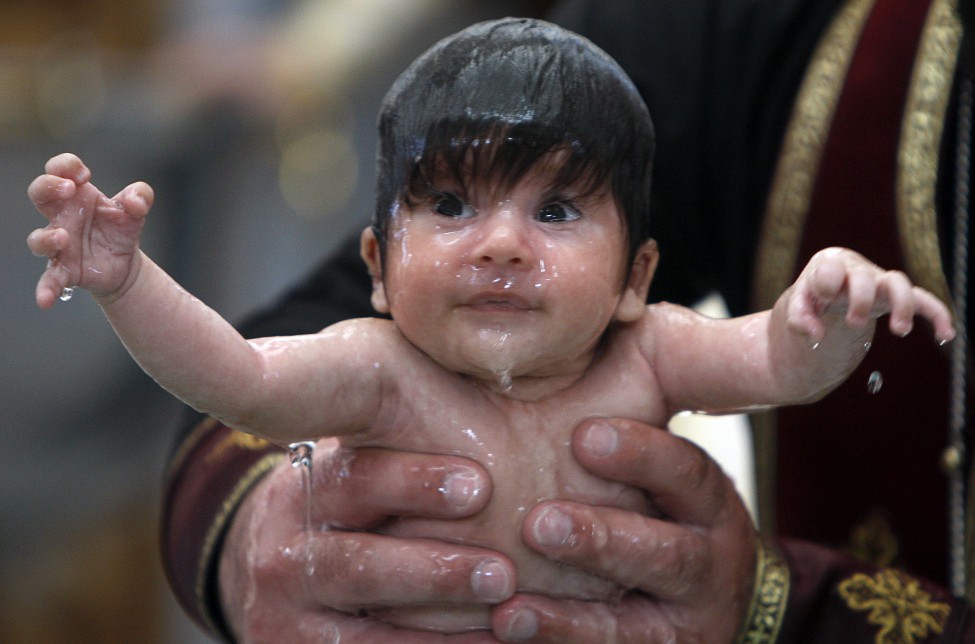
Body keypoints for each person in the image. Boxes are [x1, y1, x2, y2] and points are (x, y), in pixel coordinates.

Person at [28, 16, 958, 639]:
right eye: (448, 204)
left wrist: (827, 311)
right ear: (378, 273)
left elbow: (776, 362)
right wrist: (128, 282)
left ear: (637, 279)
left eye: (555, 213)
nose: (501, 246)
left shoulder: (651, 352)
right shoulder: (374, 366)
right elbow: (234, 378)